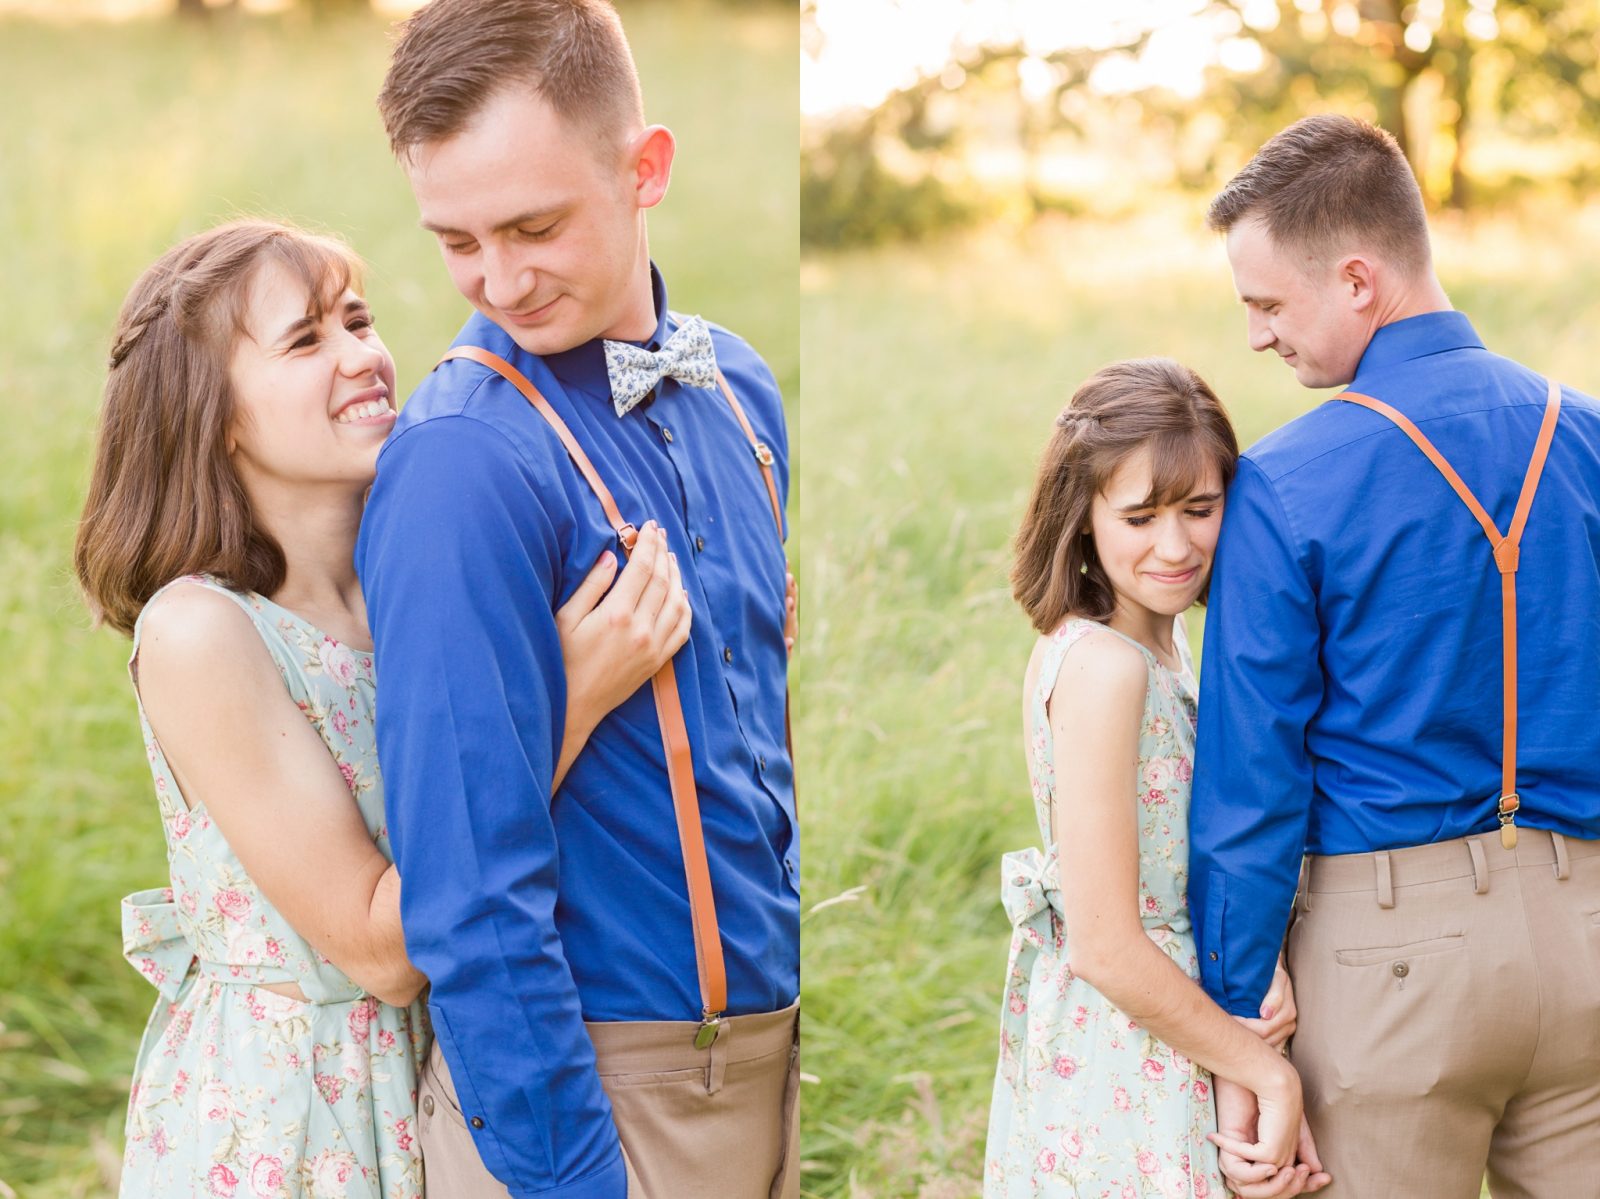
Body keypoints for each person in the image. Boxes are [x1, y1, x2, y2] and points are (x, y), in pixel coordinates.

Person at [75, 219, 689, 1197]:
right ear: (214, 413)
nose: (364, 355)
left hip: (449, 1070)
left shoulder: (407, 581)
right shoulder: (201, 631)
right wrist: (565, 704)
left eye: (357, 320)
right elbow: (376, 949)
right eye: (307, 339)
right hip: (297, 1113)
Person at [357, 2, 799, 1196]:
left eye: (533, 226)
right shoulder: (461, 462)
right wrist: (570, 1173)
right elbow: (470, 887)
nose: (499, 278)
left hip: (770, 1067)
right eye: (456, 241)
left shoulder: (740, 390)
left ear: (643, 167)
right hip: (593, 1099)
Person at [1191, 113, 1600, 1199]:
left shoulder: (1284, 481)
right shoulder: (1589, 436)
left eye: (1268, 304)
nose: (1256, 337)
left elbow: (1251, 785)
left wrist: (1239, 1022)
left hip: (1389, 968)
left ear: (1359, 280)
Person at [984, 358, 1327, 1199]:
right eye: (1139, 516)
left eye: (1200, 509)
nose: (1175, 546)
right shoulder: (1104, 665)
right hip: (1128, 1058)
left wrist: (1262, 972)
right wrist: (1271, 1075)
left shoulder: (1162, 647)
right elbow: (1105, 939)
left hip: (1180, 1028)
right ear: (1083, 516)